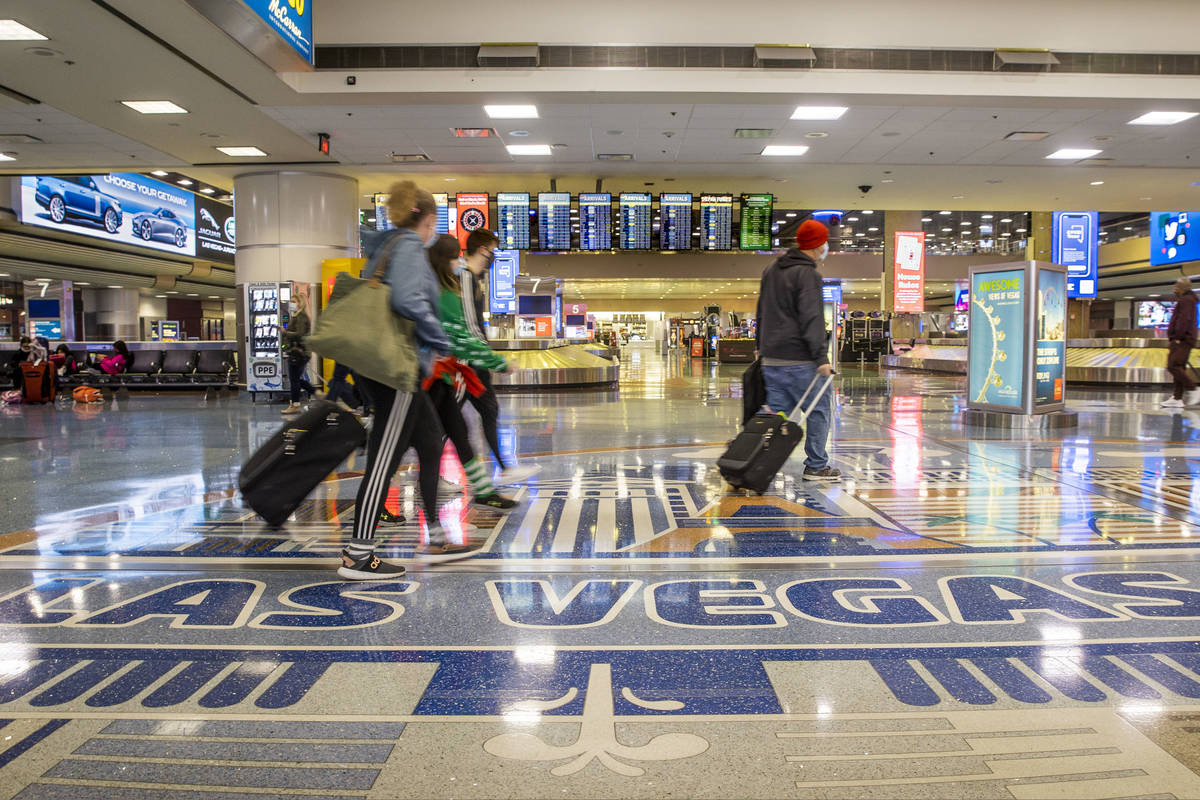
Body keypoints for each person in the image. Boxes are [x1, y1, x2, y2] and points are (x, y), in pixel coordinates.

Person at [340, 180, 473, 580]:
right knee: (384, 457)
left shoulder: (386, 245)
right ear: (427, 218)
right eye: (434, 223)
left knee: (431, 440)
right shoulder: (411, 246)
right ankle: (358, 553)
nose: (434, 232)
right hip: (399, 368)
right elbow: (407, 301)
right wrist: (440, 340)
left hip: (390, 366)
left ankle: (433, 529)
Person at [427, 234, 520, 511]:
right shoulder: (446, 294)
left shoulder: (442, 290)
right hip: (429, 378)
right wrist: (498, 362)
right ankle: (433, 526)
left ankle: (482, 491)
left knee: (459, 432)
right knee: (417, 442)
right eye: (456, 257)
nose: (460, 262)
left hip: (443, 375)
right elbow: (463, 336)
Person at [755, 218, 839, 481]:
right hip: (801, 360)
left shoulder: (771, 269)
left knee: (772, 415)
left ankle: (751, 458)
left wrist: (761, 347)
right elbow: (811, 317)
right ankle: (816, 465)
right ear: (818, 245)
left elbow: (761, 311)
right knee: (819, 411)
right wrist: (821, 358)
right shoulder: (808, 274)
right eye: (825, 242)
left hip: (771, 360)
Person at [458, 228, 539, 484]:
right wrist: (495, 360)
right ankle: (503, 467)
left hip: (471, 360)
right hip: (467, 362)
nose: (493, 256)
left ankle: (504, 466)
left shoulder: (473, 279)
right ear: (483, 250)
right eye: (492, 250)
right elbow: (471, 327)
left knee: (488, 410)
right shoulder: (466, 278)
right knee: (449, 417)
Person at [1162, 276, 1199, 409]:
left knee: (1173, 366)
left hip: (1182, 339)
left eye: (1177, 286)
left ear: (1183, 287)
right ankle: (1177, 398)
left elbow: (1184, 320)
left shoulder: (1186, 301)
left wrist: (1177, 336)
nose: (1174, 288)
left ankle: (1194, 389)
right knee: (1179, 367)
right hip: (1183, 339)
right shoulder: (1187, 300)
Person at [281, 291, 315, 416]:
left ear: (300, 304)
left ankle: (295, 404)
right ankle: (316, 393)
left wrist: (285, 332)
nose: (291, 304)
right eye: (290, 301)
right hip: (298, 352)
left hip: (299, 352)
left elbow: (299, 334)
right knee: (296, 379)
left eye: (294, 302)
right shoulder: (296, 316)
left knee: (294, 380)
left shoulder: (301, 317)